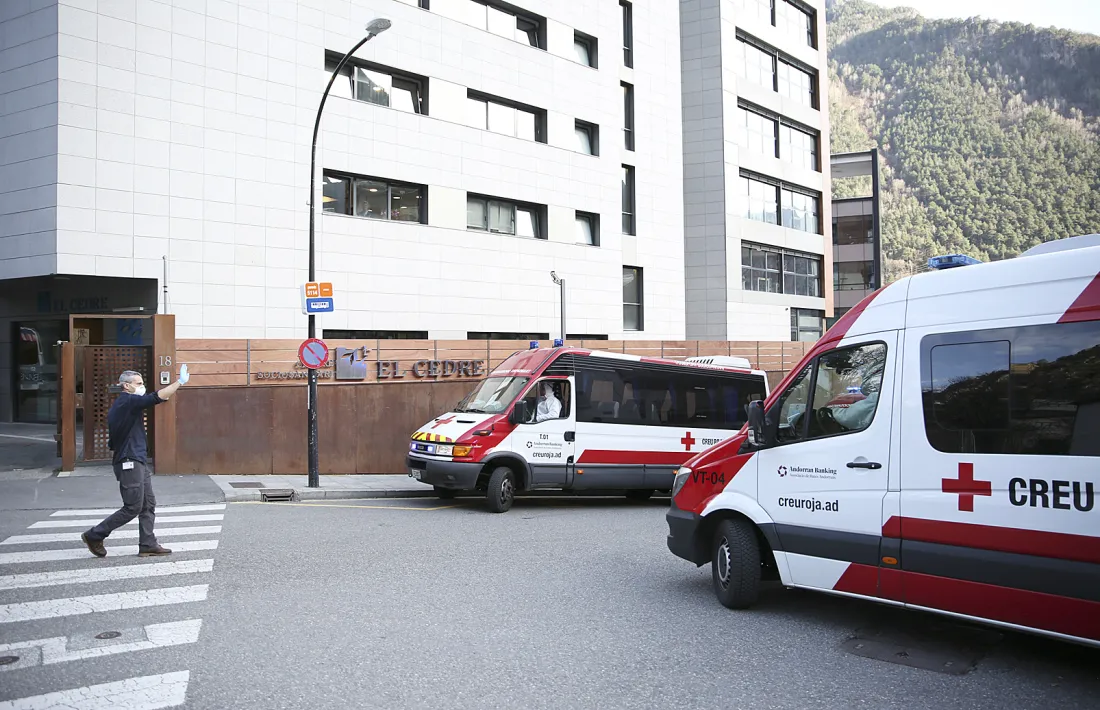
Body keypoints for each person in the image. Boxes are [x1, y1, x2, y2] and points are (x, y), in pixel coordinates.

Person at [81, 365, 189, 558]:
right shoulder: (127, 401)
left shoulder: (126, 403)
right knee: (133, 507)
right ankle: (95, 535)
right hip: (129, 460)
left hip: (136, 459)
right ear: (126, 386)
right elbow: (157, 397)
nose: (142, 386)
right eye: (138, 384)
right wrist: (179, 382)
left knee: (148, 503)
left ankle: (147, 543)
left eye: (142, 383)